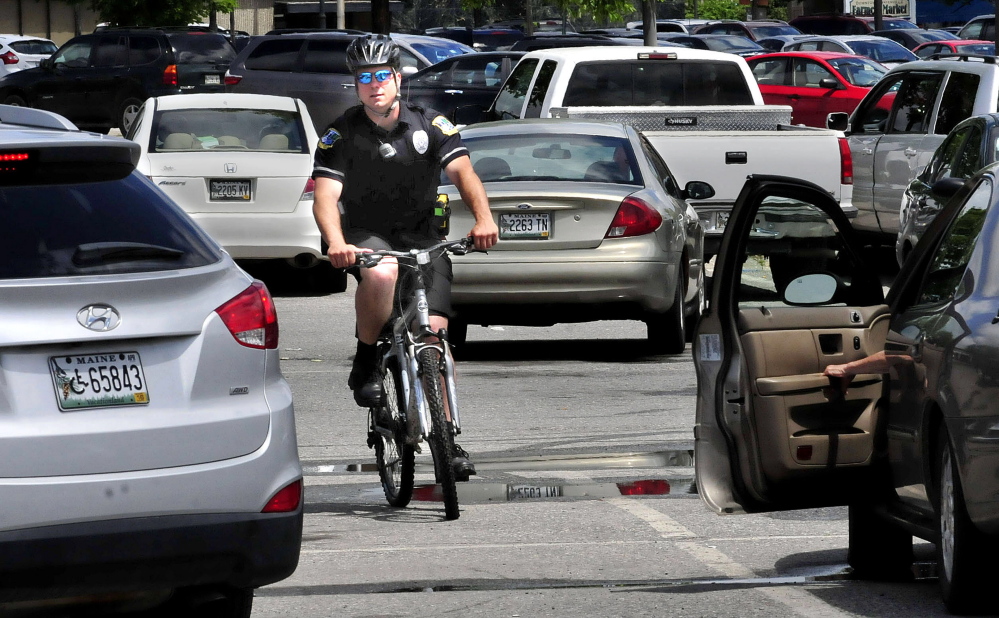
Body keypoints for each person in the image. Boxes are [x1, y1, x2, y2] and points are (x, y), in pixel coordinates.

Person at [312, 34, 499, 478]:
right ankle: (366, 359)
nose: (374, 85)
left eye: (381, 75)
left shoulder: (430, 125)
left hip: (423, 237)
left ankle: (448, 440)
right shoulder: (341, 134)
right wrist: (336, 241)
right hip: (367, 236)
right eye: (364, 78)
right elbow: (324, 197)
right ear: (356, 85)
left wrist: (483, 218)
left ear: (397, 77)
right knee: (381, 275)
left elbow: (464, 173)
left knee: (435, 336)